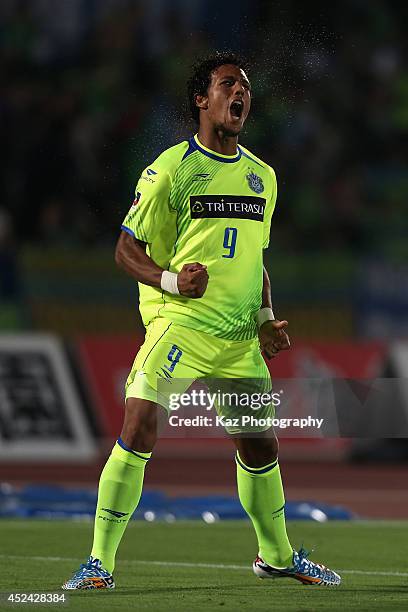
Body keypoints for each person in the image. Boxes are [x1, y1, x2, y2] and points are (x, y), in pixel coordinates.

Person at [62, 52, 341, 590]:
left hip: (240, 340)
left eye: (246, 88)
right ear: (202, 99)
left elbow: (255, 260)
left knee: (260, 446)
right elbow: (125, 249)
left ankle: (276, 556)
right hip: (182, 326)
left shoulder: (263, 178)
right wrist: (171, 282)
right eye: (228, 85)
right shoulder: (171, 170)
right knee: (139, 423)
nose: (241, 95)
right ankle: (99, 563)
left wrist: (264, 317)